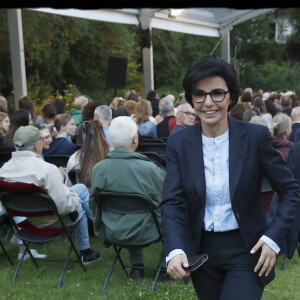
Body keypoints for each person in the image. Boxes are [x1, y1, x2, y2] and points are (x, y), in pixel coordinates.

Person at [161, 55, 300, 300]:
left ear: (230, 96)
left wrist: (273, 238)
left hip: (248, 249)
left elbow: (290, 190)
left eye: (217, 93)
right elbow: (172, 201)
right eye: (199, 94)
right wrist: (174, 248)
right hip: (201, 252)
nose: (208, 102)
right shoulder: (179, 142)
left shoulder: (256, 137)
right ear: (191, 99)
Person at [0, 125, 100, 264]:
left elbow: (6, 206)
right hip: (51, 223)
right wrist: (75, 199)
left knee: (79, 192)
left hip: (27, 223)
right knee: (80, 202)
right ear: (36, 145)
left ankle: (90, 247)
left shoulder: (4, 170)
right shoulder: (47, 169)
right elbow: (64, 207)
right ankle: (94, 241)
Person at [89, 116, 166, 280]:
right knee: (176, 212)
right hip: (147, 231)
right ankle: (164, 267)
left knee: (132, 211)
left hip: (113, 229)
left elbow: (94, 204)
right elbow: (166, 203)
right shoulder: (150, 169)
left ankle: (136, 268)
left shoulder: (98, 169)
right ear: (135, 138)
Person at [65, 120, 110, 188]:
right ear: (102, 134)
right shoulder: (111, 155)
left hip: (81, 197)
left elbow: (68, 186)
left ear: (84, 135)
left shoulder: (74, 158)